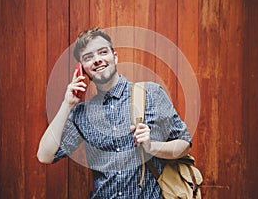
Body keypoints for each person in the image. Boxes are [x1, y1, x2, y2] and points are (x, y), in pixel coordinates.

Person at [37, 27, 192, 198]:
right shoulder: (82, 114)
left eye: (103, 52)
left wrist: (152, 147)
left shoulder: (152, 94)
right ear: (82, 69)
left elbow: (184, 144)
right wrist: (67, 104)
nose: (97, 60)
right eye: (88, 57)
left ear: (115, 56)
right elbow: (45, 155)